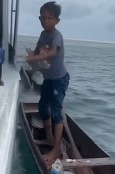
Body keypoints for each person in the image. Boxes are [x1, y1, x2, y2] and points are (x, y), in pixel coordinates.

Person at [26, 1, 69, 169]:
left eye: (48, 18)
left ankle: (56, 149)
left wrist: (35, 58)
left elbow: (52, 52)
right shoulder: (43, 34)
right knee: (44, 107)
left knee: (56, 111)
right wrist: (32, 56)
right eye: (41, 18)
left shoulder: (56, 35)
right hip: (48, 79)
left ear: (56, 20)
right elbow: (38, 52)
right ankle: (49, 138)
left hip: (60, 79)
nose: (44, 21)